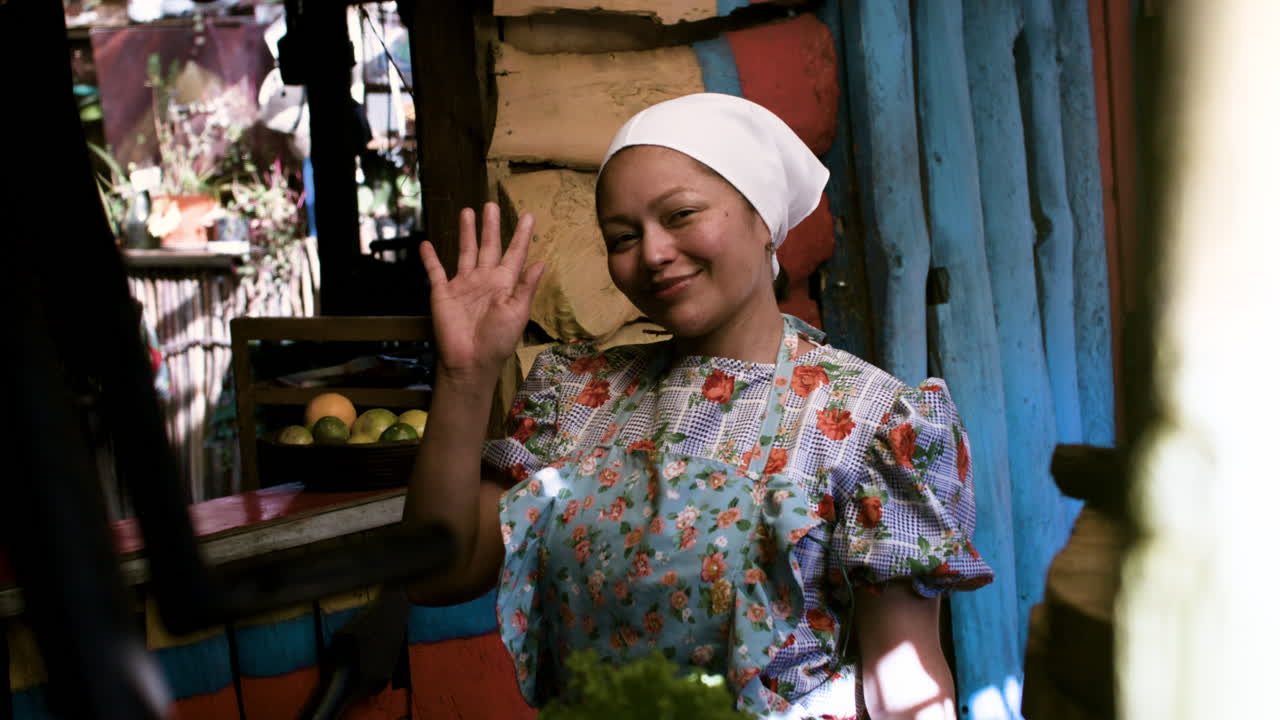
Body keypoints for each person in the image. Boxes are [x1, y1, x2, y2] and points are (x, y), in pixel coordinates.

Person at [405, 93, 992, 720]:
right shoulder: (576, 397)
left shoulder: (870, 423)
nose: (653, 253)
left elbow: (904, 688)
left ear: (762, 219)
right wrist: (465, 376)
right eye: (623, 236)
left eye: (681, 214)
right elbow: (442, 574)